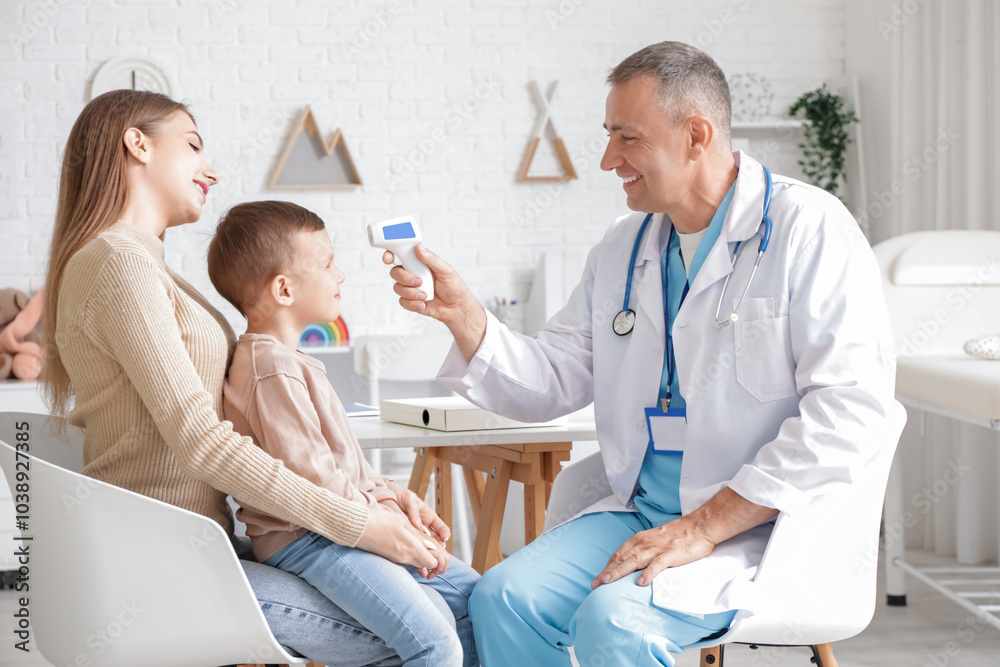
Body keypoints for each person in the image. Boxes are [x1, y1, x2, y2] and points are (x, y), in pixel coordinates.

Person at [383, 42, 906, 665]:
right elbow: (552, 379)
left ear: (696, 136)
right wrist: (465, 317)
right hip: (645, 514)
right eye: (608, 136)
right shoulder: (623, 249)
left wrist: (704, 526)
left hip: (763, 526)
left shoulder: (810, 229)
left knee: (617, 620)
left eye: (626, 138)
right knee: (502, 597)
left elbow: (851, 412)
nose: (608, 160)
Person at [41, 89, 469, 667]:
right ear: (136, 144)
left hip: (195, 547)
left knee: (450, 607)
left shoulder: (141, 263)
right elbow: (202, 440)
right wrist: (361, 523)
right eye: (193, 145)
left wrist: (382, 495)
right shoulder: (117, 263)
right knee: (426, 633)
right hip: (159, 567)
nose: (210, 168)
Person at [206, 200, 479, 666]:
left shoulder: (289, 362)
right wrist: (385, 520)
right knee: (435, 641)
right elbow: (315, 483)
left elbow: (341, 466)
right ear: (284, 289)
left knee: (476, 601)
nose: (341, 275)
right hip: (314, 540)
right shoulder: (270, 367)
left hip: (338, 530)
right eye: (328, 262)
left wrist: (390, 495)